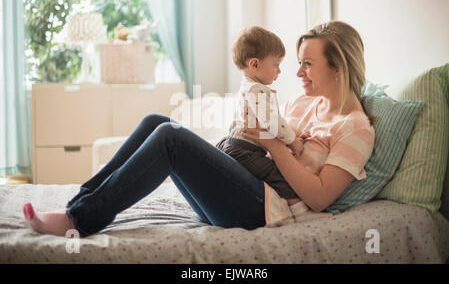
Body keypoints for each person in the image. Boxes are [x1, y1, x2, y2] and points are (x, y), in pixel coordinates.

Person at [22, 20, 375, 237]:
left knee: (170, 139)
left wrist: (277, 145)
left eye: (308, 64)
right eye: (297, 64)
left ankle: (79, 221)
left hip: (264, 209)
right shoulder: (304, 103)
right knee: (156, 122)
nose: (298, 74)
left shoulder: (355, 128)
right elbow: (261, 139)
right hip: (244, 187)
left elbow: (318, 197)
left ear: (338, 68)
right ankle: (77, 205)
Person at [216, 26, 310, 201]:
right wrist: (293, 141)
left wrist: (291, 133)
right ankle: (295, 213)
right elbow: (271, 122)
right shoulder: (257, 90)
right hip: (246, 151)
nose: (279, 71)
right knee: (284, 185)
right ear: (255, 64)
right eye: (276, 65)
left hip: (232, 144)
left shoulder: (247, 86)